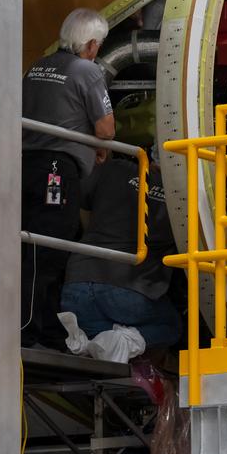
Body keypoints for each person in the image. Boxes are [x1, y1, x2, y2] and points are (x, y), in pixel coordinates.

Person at [21, 8, 115, 348]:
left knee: (27, 243)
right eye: (99, 45)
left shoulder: (37, 66)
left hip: (24, 164)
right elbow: (106, 128)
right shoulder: (87, 70)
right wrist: (97, 144)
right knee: (51, 246)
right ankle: (35, 325)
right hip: (57, 170)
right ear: (90, 45)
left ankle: (32, 321)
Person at [59, 144, 183, 358]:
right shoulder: (182, 201)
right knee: (171, 324)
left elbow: (79, 200)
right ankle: (125, 341)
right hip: (130, 294)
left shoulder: (114, 168)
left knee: (103, 341)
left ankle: (95, 341)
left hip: (76, 286)